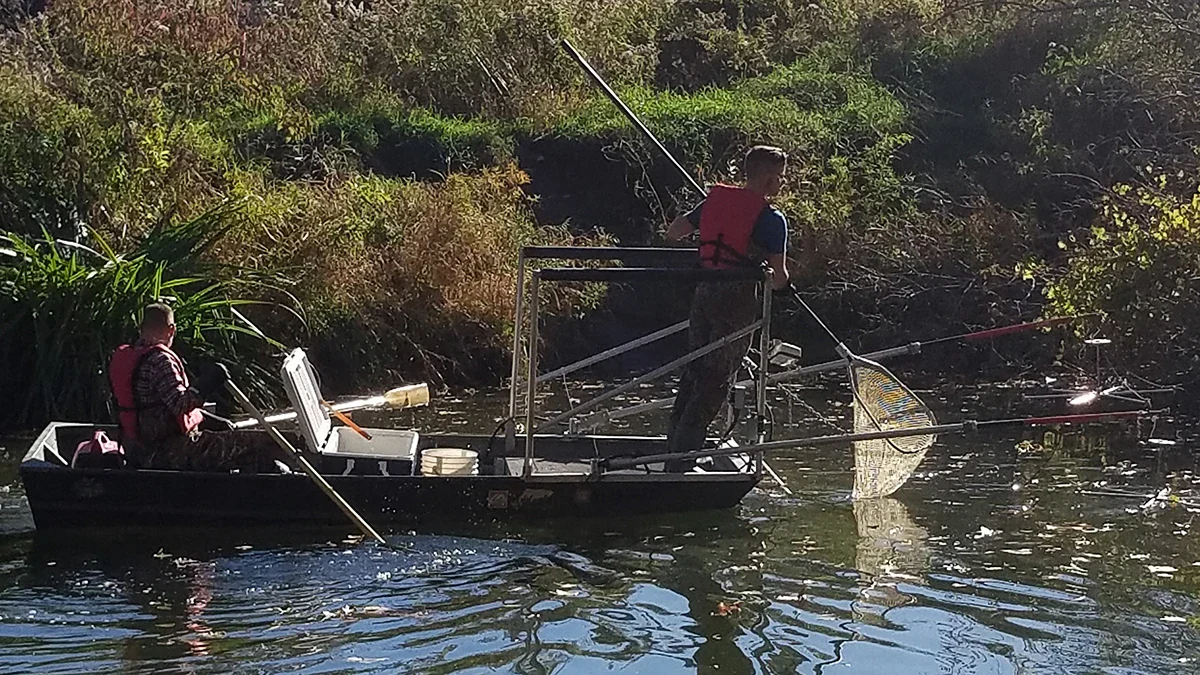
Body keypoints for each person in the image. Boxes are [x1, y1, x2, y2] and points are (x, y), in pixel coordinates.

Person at [663, 145, 792, 467]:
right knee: (717, 375)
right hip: (735, 300)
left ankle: (673, 445)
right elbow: (778, 277)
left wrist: (711, 223)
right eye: (779, 177)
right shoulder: (772, 219)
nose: (781, 184)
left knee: (695, 369)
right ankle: (682, 459)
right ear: (766, 178)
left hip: (705, 292)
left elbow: (675, 232)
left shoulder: (714, 203)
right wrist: (786, 287)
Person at [109, 302, 284, 473]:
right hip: (164, 453)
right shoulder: (160, 360)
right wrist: (205, 385)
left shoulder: (127, 356)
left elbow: (159, 408)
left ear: (141, 327)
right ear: (172, 329)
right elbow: (179, 405)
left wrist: (209, 419)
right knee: (256, 442)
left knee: (231, 445)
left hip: (135, 449)